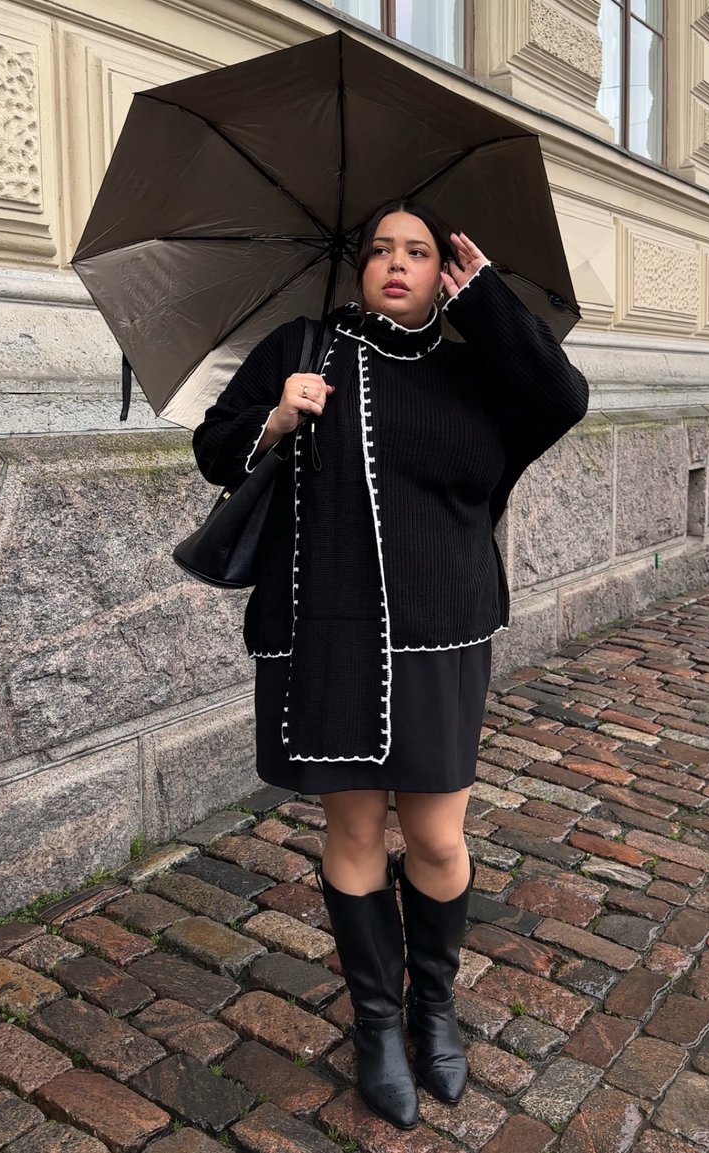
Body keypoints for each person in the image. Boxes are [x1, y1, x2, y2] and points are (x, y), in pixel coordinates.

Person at [193, 199, 588, 1129]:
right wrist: (278, 416)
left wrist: (486, 300)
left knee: (440, 838)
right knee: (357, 831)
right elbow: (214, 447)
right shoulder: (303, 347)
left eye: (419, 250)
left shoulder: (475, 370)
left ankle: (434, 1008)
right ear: (358, 266)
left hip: (442, 635)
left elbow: (564, 399)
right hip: (329, 632)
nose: (397, 264)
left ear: (443, 270)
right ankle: (376, 1024)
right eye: (381, 249)